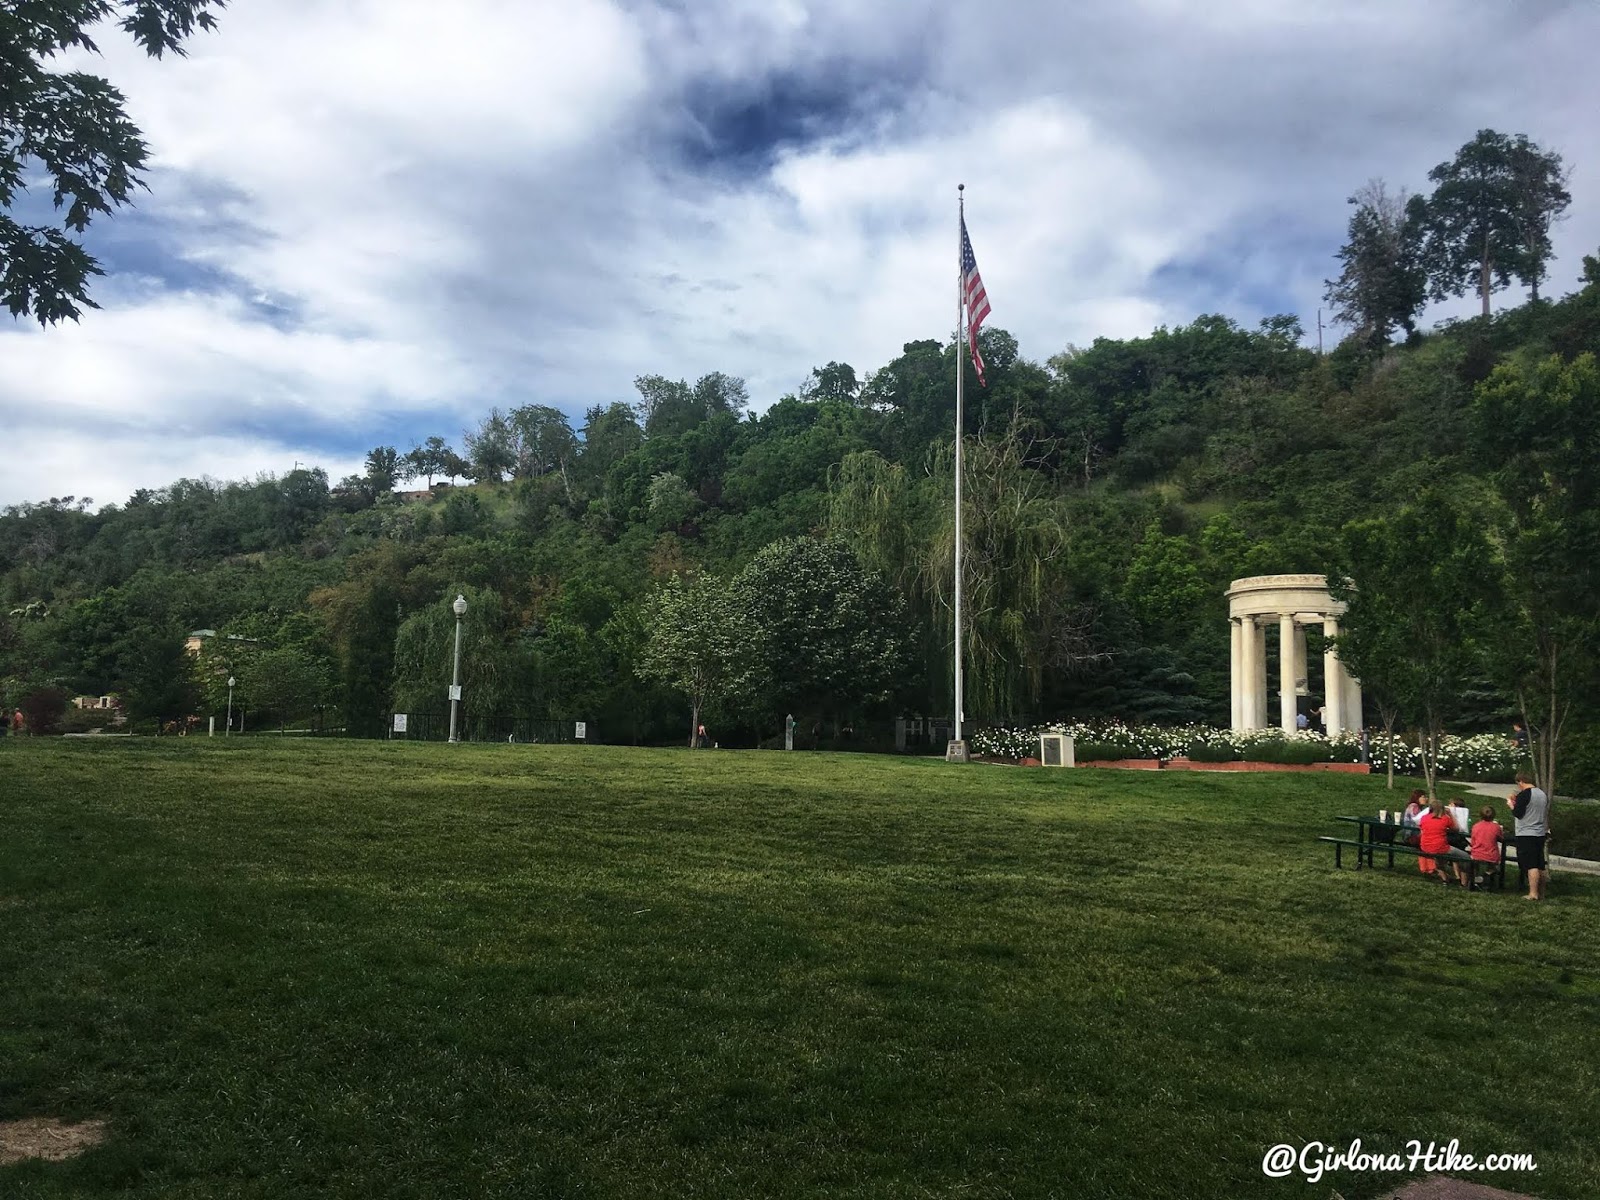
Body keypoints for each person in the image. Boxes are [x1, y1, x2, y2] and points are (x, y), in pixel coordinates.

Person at [1507, 771, 1550, 901]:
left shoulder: (1524, 794)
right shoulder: (1542, 794)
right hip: (1539, 832)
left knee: (1531, 865)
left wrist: (1511, 804)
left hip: (1526, 832)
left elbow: (1518, 813)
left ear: (1521, 781)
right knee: (1540, 864)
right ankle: (1541, 893)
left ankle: (1533, 893)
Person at [1417, 798, 1468, 886]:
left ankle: (1445, 879)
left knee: (1439, 860)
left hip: (1425, 846)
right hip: (1441, 847)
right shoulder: (1445, 819)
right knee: (1465, 857)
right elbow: (1456, 829)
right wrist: (1451, 815)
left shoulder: (1424, 818)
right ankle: (1464, 882)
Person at [1470, 806, 1505, 889]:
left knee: (1476, 865)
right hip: (1491, 855)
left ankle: (1477, 879)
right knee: (1495, 866)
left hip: (1476, 853)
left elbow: (1473, 841)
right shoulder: (1496, 827)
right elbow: (1501, 839)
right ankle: (1486, 875)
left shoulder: (1476, 826)